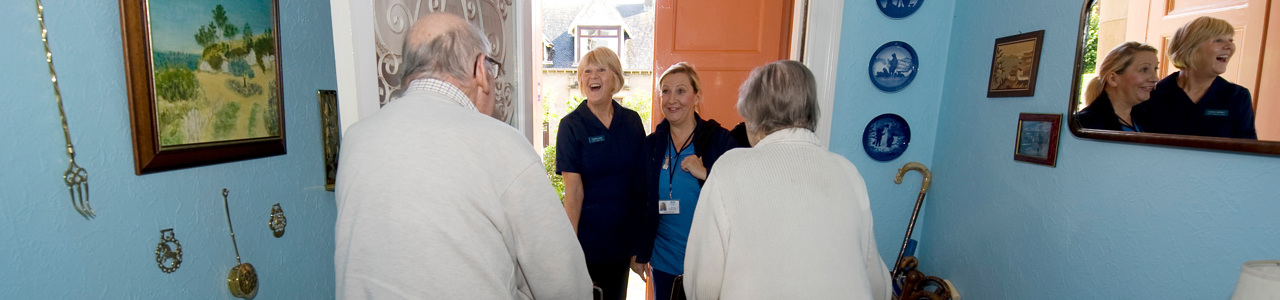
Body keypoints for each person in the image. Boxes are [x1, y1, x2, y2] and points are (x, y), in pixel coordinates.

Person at [334, 13, 591, 299]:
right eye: (492, 68)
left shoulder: (356, 139)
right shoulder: (502, 144)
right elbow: (567, 285)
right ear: (481, 69)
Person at [683, 60, 892, 300]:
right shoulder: (847, 171)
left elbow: (704, 284)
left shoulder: (730, 168)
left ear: (753, 115)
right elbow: (877, 283)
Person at [631, 62, 741, 300]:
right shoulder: (651, 145)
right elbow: (639, 200)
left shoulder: (719, 140)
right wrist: (638, 252)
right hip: (664, 260)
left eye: (681, 91)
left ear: (696, 96)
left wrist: (706, 173)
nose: (672, 99)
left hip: (710, 263)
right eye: (666, 91)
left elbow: (740, 192)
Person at [556, 46, 646, 300]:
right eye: (587, 71)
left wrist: (638, 245)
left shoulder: (631, 122)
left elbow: (640, 187)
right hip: (587, 245)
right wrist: (569, 249)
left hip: (621, 244)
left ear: (615, 78)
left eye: (601, 70)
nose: (592, 76)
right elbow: (573, 193)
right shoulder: (571, 126)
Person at [1133, 16, 1256, 139]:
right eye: (1218, 40)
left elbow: (1247, 150)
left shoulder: (1238, 96)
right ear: (1191, 47)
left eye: (1231, 40)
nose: (1230, 46)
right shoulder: (1152, 94)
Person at [1078, 42, 1160, 131]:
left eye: (1155, 69)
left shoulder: (1149, 117)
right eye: (1144, 69)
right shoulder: (1086, 124)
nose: (1155, 78)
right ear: (1112, 79)